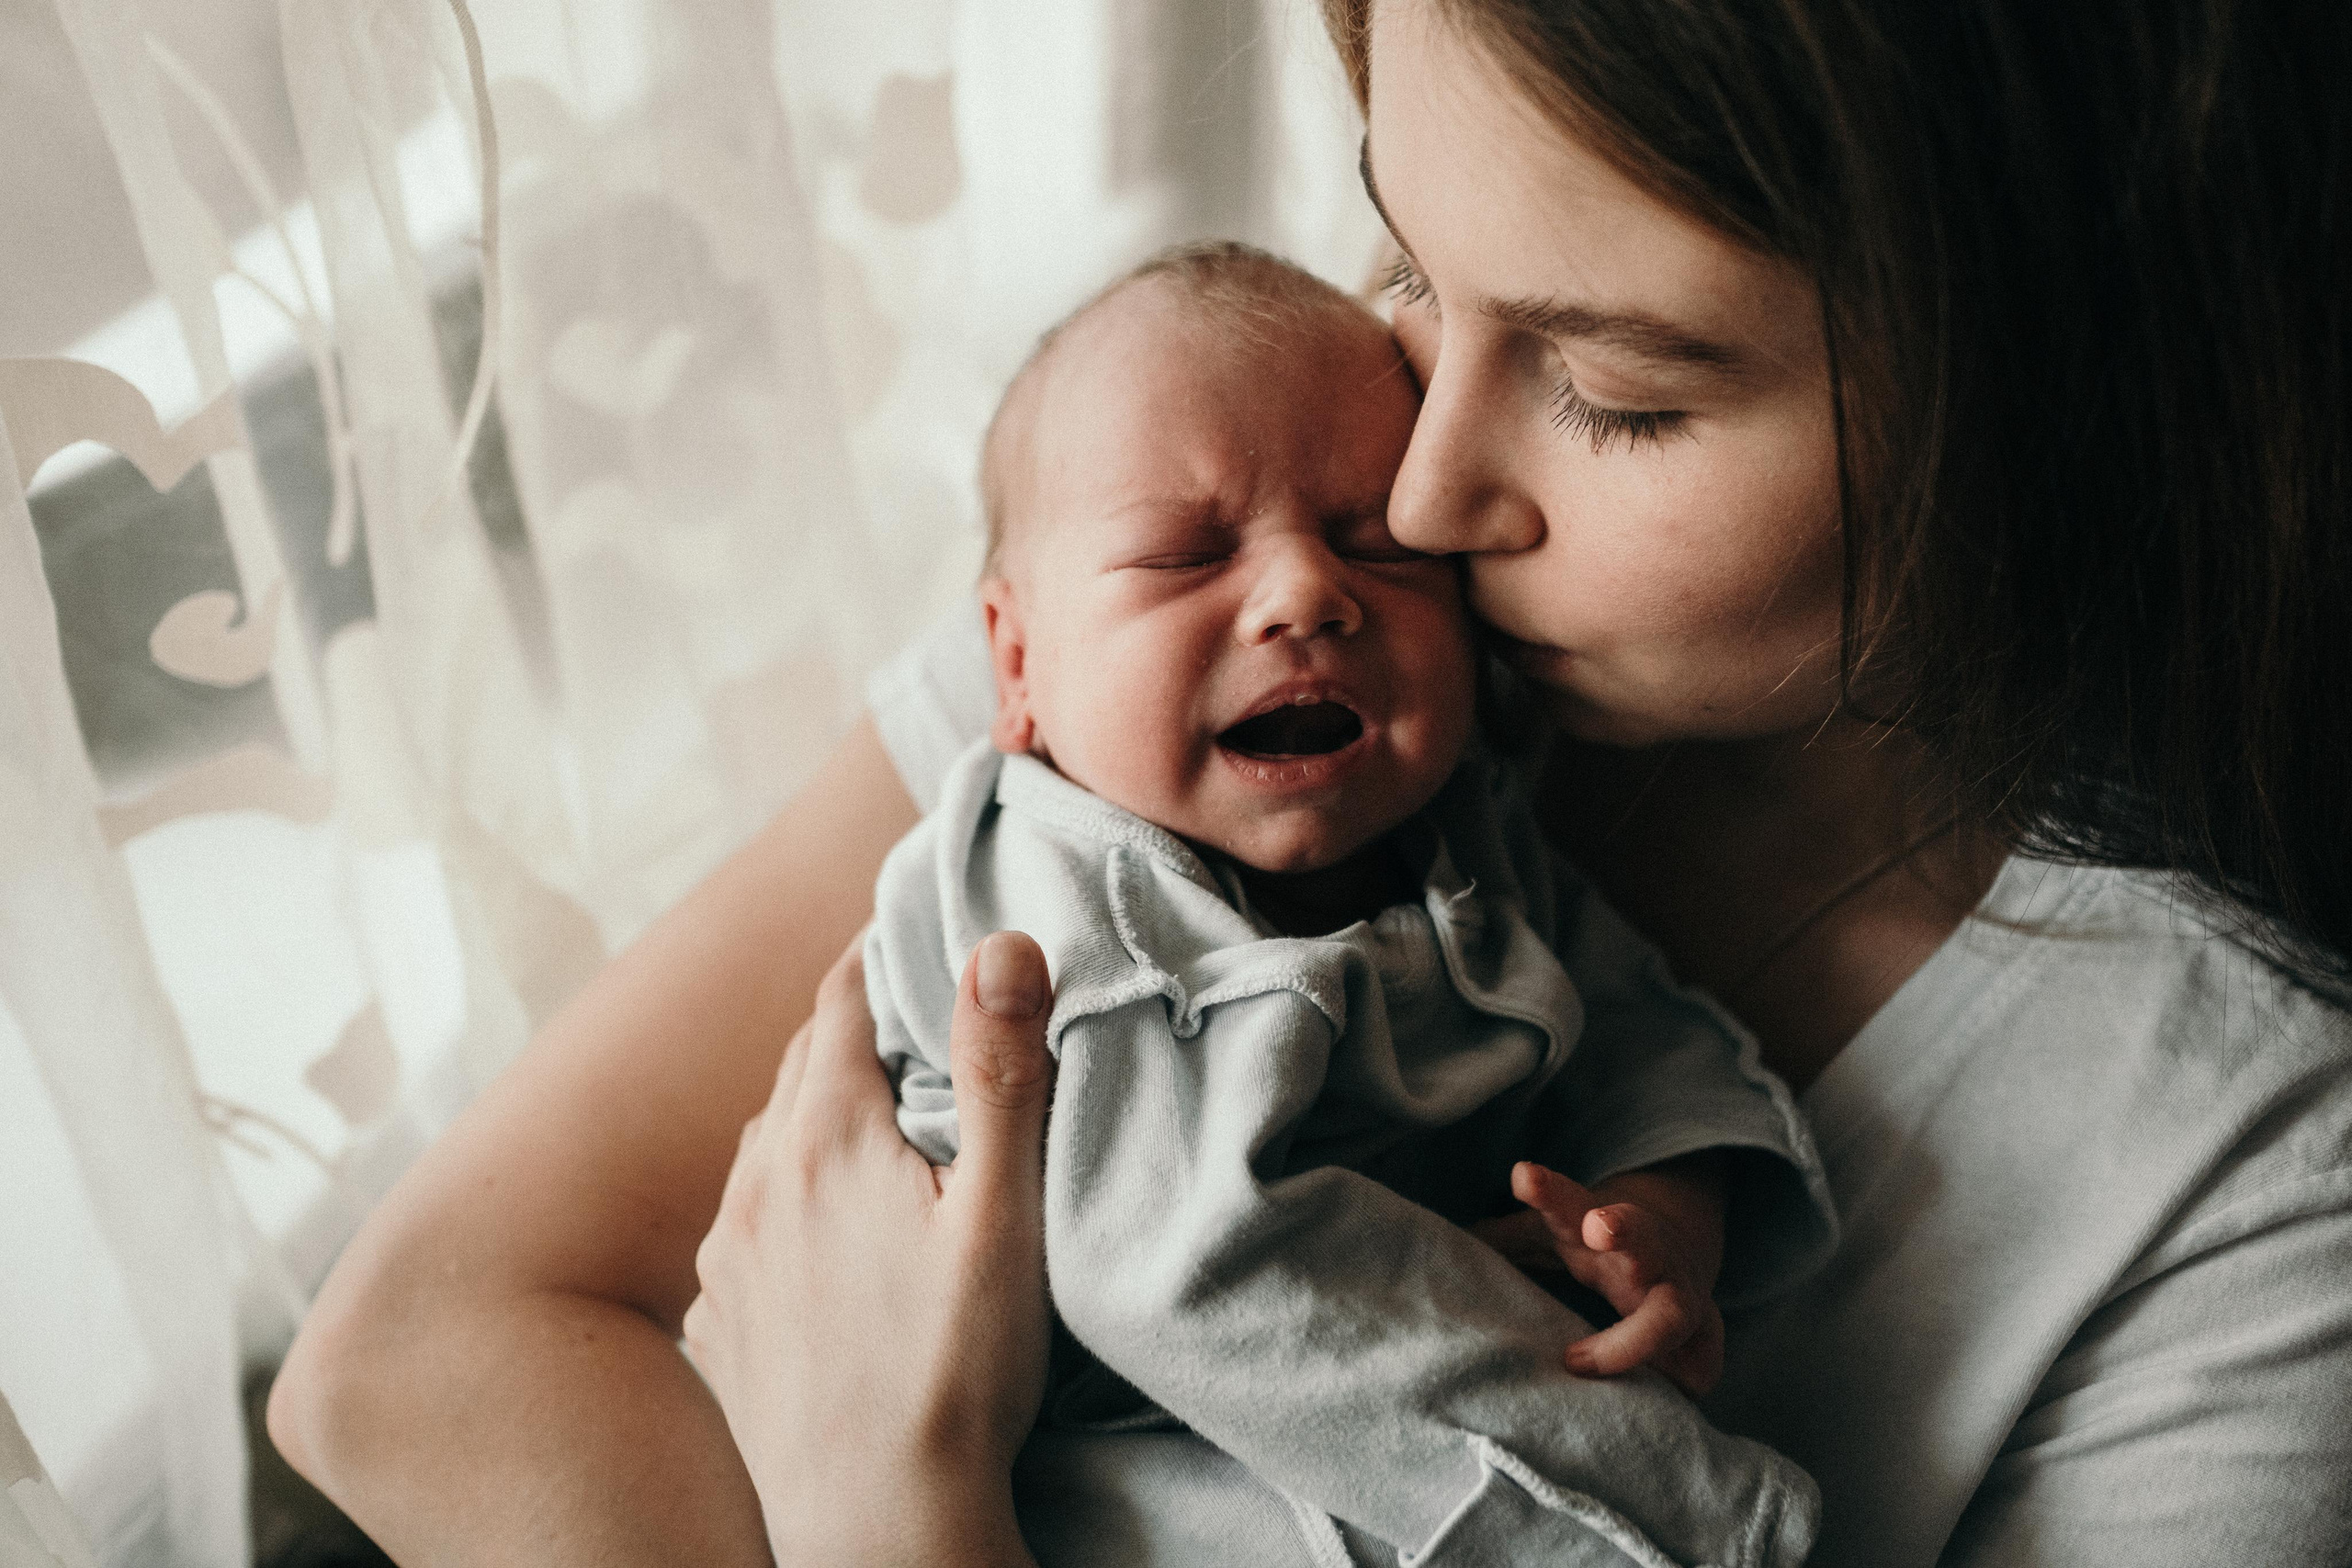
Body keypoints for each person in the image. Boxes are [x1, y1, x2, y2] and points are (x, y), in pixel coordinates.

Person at [267, 1, 2352, 1565]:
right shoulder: (1182, 587)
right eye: (1412, 272)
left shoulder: (2251, 1182)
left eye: (1617, 396)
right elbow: (418, 1361)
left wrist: (888, 1516)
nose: (1419, 486)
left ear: (2081, 402)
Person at [865, 241, 1829, 1565]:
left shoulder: (1463, 833)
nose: (1309, 593)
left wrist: (1663, 1208)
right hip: (1121, 1430)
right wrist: (1668, 1518)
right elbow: (1183, 1267)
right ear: (1018, 659)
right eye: (1184, 556)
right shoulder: (1065, 899)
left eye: (1378, 545)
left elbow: (1638, 1027)